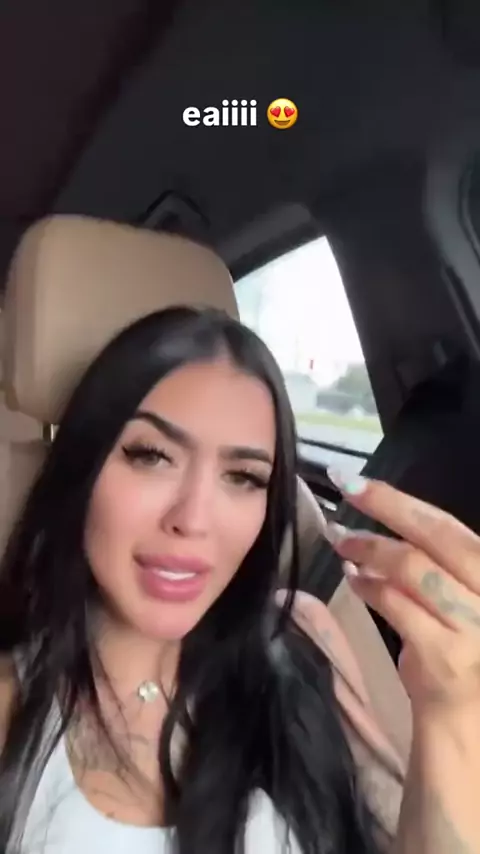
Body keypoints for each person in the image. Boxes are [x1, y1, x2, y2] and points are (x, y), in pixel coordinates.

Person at [0, 304, 475, 854]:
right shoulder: (13, 707)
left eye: (244, 477)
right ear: (82, 466)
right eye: (151, 456)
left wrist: (452, 715)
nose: (194, 520)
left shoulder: (306, 641)